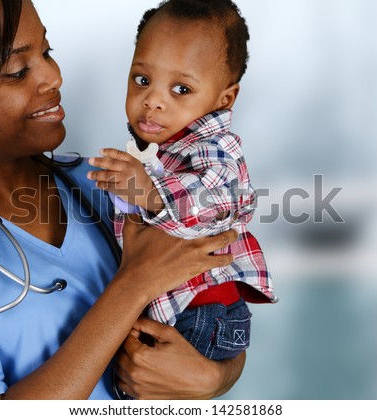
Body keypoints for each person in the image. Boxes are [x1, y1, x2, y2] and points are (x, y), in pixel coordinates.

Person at [0, 0, 245, 400]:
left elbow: (217, 306)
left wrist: (215, 377)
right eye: (17, 71)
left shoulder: (110, 183)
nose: (53, 77)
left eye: (48, 52)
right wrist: (133, 285)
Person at [88, 0, 277, 363]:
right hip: (178, 310)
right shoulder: (155, 153)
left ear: (225, 99)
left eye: (181, 90)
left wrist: (151, 193)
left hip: (203, 314)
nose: (153, 100)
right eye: (142, 80)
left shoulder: (214, 145)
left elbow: (219, 197)